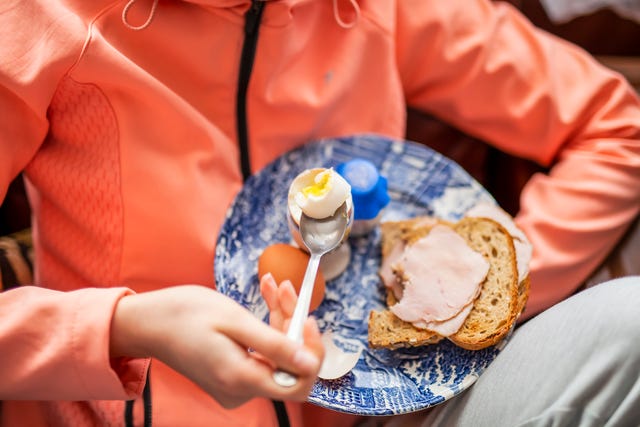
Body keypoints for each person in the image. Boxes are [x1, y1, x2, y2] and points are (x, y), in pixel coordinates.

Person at [0, 0, 639, 426]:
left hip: (387, 414)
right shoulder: (43, 22)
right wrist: (123, 327)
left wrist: (478, 293)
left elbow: (618, 127)